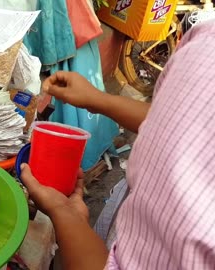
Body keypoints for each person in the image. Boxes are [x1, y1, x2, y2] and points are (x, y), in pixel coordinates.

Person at [21, 21, 215, 270]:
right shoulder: (204, 41)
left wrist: (64, 213)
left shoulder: (207, 51)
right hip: (119, 228)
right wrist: (97, 100)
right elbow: (181, 119)